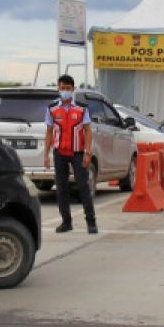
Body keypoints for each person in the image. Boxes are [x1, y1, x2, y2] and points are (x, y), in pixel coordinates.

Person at [43, 74, 97, 234]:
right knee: (61, 188)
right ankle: (66, 222)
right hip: (59, 152)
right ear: (58, 88)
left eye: (68, 88)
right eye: (62, 88)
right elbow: (49, 132)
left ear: (72, 89)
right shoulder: (52, 108)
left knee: (83, 186)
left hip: (78, 152)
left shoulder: (81, 108)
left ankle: (91, 222)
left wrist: (88, 152)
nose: (65, 91)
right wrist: (46, 155)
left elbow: (88, 131)